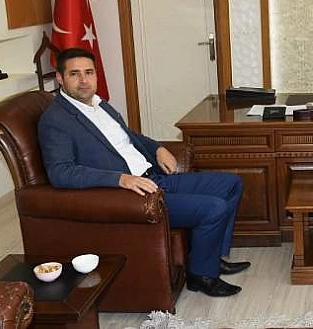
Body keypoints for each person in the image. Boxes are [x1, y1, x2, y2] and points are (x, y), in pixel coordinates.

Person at [38, 48, 249, 297]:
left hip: (154, 178)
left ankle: (210, 258)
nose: (84, 80)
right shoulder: (56, 120)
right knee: (214, 208)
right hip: (132, 194)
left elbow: (128, 137)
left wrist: (158, 148)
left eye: (89, 72)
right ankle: (202, 276)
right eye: (75, 74)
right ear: (60, 78)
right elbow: (61, 172)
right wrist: (121, 179)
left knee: (231, 183)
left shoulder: (99, 104)